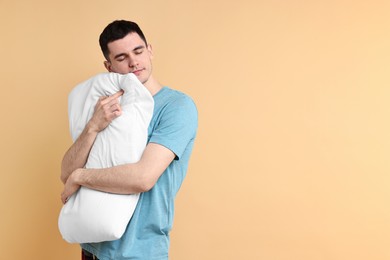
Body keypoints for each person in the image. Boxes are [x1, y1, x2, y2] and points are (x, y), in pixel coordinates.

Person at [60, 20, 198, 260]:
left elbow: (143, 178)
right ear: (109, 66)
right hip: (92, 248)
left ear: (150, 50)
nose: (134, 62)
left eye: (138, 51)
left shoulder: (176, 107)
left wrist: (80, 176)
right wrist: (93, 126)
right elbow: (65, 173)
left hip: (138, 252)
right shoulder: (106, 107)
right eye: (122, 57)